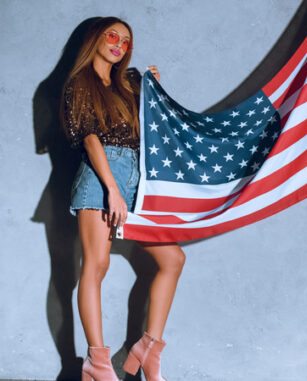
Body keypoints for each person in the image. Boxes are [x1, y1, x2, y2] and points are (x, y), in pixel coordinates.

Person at [61, 17, 186, 381]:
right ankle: (97, 363)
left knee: (173, 258)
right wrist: (112, 190)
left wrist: (155, 96)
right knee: (97, 266)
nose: (119, 44)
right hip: (101, 179)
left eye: (126, 41)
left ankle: (149, 350)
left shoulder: (129, 84)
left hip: (134, 178)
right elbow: (89, 138)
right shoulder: (79, 83)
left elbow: (151, 132)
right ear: (94, 39)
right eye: (112, 35)